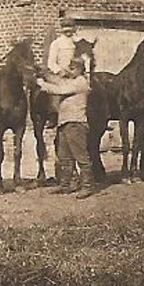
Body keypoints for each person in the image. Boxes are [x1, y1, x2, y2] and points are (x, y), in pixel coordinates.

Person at [40, 57, 95, 197]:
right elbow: (59, 81)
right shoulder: (74, 81)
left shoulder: (81, 82)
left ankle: (87, 186)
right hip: (65, 123)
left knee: (81, 156)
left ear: (79, 69)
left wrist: (41, 83)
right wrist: (45, 74)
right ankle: (65, 185)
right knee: (65, 157)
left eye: (72, 68)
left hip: (75, 124)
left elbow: (60, 89)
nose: (69, 71)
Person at [46, 8, 80, 79]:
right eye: (65, 28)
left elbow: (81, 60)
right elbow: (51, 63)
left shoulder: (77, 43)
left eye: (70, 27)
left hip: (75, 76)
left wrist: (77, 71)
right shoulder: (56, 43)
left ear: (74, 28)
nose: (68, 30)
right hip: (61, 76)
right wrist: (60, 71)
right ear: (61, 29)